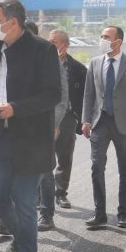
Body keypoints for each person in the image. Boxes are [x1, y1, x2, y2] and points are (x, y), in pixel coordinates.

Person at [0, 0, 61, 252]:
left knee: (25, 203)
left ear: (12, 23)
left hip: (32, 141)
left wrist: (16, 107)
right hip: (1, 136)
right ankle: (20, 236)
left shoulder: (43, 49)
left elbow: (53, 94)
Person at [81, 26, 126, 230]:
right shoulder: (94, 63)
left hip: (125, 125)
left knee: (125, 170)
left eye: (106, 37)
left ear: (118, 41)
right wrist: (85, 120)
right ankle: (100, 213)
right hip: (100, 123)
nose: (101, 40)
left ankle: (123, 213)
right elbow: (88, 95)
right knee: (96, 168)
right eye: (101, 36)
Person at [37, 29, 86, 229]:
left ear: (64, 45)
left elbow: (85, 95)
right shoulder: (42, 65)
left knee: (64, 158)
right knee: (44, 159)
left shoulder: (78, 68)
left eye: (53, 42)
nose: (49, 45)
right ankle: (42, 198)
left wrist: (80, 118)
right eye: (48, 41)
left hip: (67, 119)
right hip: (47, 118)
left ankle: (61, 193)